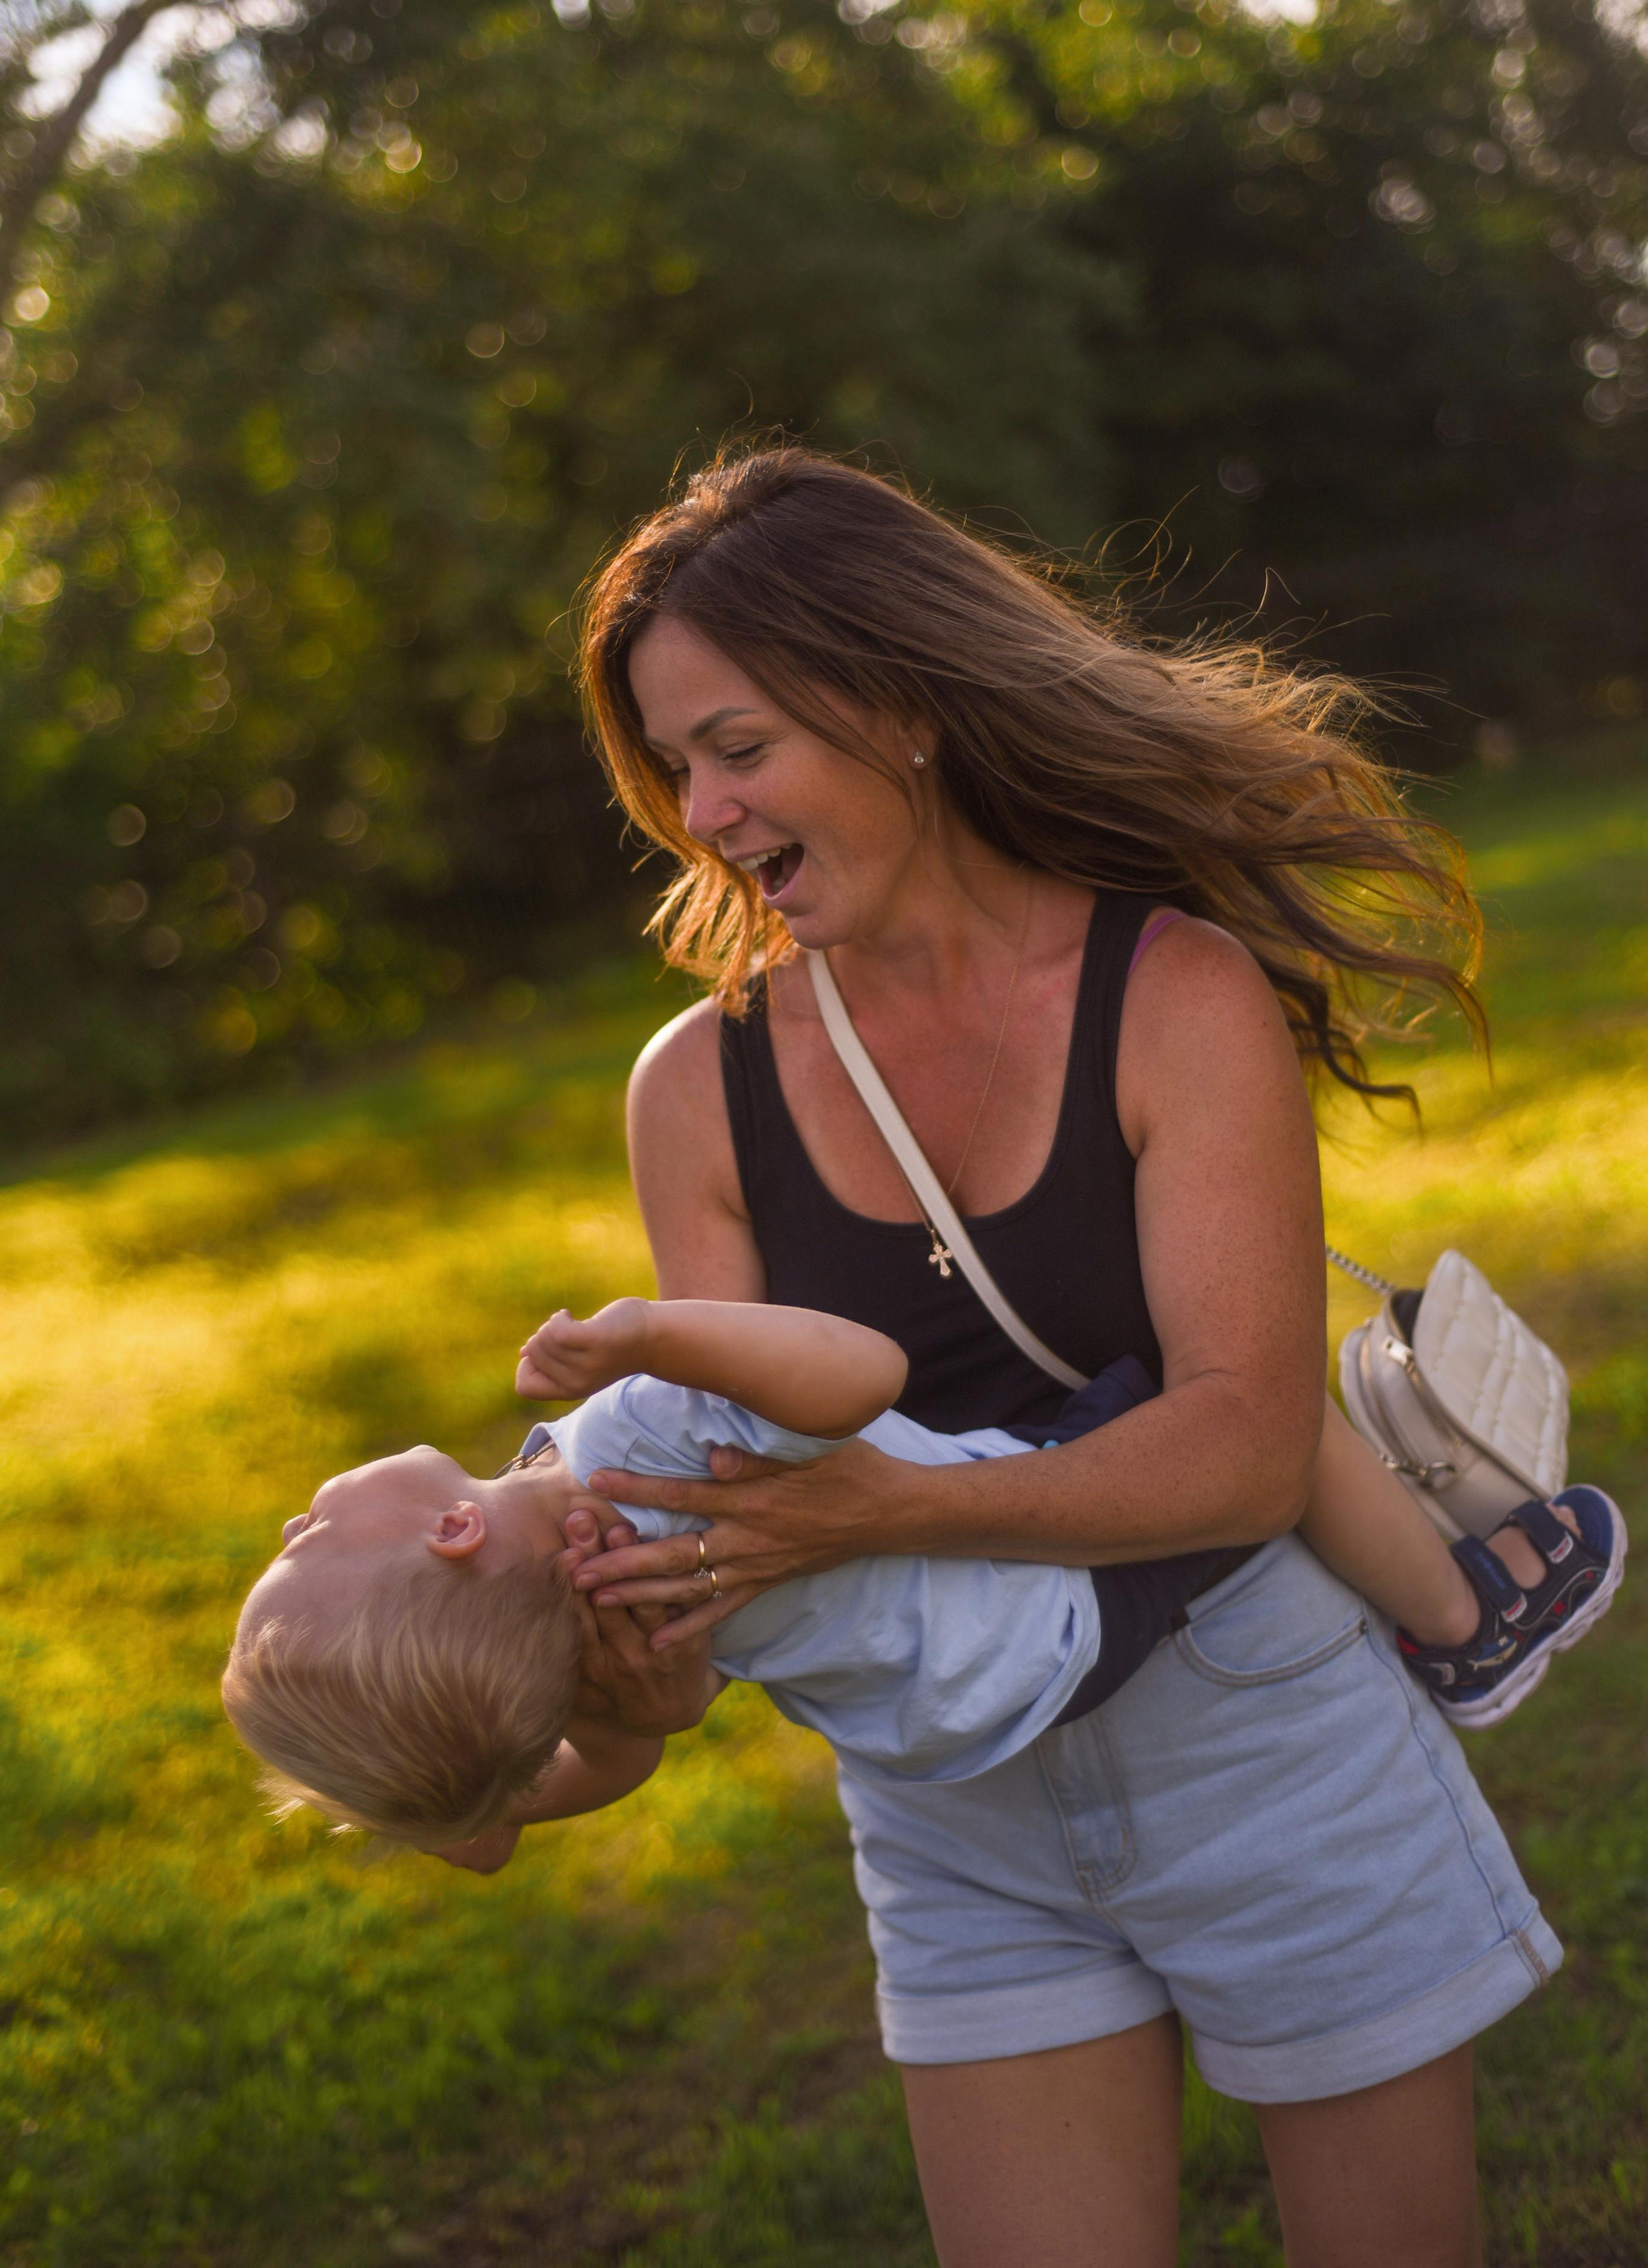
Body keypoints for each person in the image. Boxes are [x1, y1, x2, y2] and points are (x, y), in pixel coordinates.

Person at [547, 446, 1604, 2267]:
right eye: (673, 768)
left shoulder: (1170, 999)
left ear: (897, 707)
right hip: (955, 1819)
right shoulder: (696, 1091)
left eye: (738, 748)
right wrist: (623, 1670)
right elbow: (735, 1521)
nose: (703, 814)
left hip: (1263, 1737)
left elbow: (1249, 1452)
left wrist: (869, 1515)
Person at [221, 1295, 1622, 1856]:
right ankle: (1463, 1621)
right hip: (1044, 1611)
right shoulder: (641, 1443)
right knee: (1243, 1412)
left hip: (947, 1720)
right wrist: (660, 1329)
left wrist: (469, 1801)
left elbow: (533, 1795)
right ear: (451, 1534)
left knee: (1218, 1452)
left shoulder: (594, 1640)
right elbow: (861, 1376)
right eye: (304, 1540)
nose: (296, 1515)